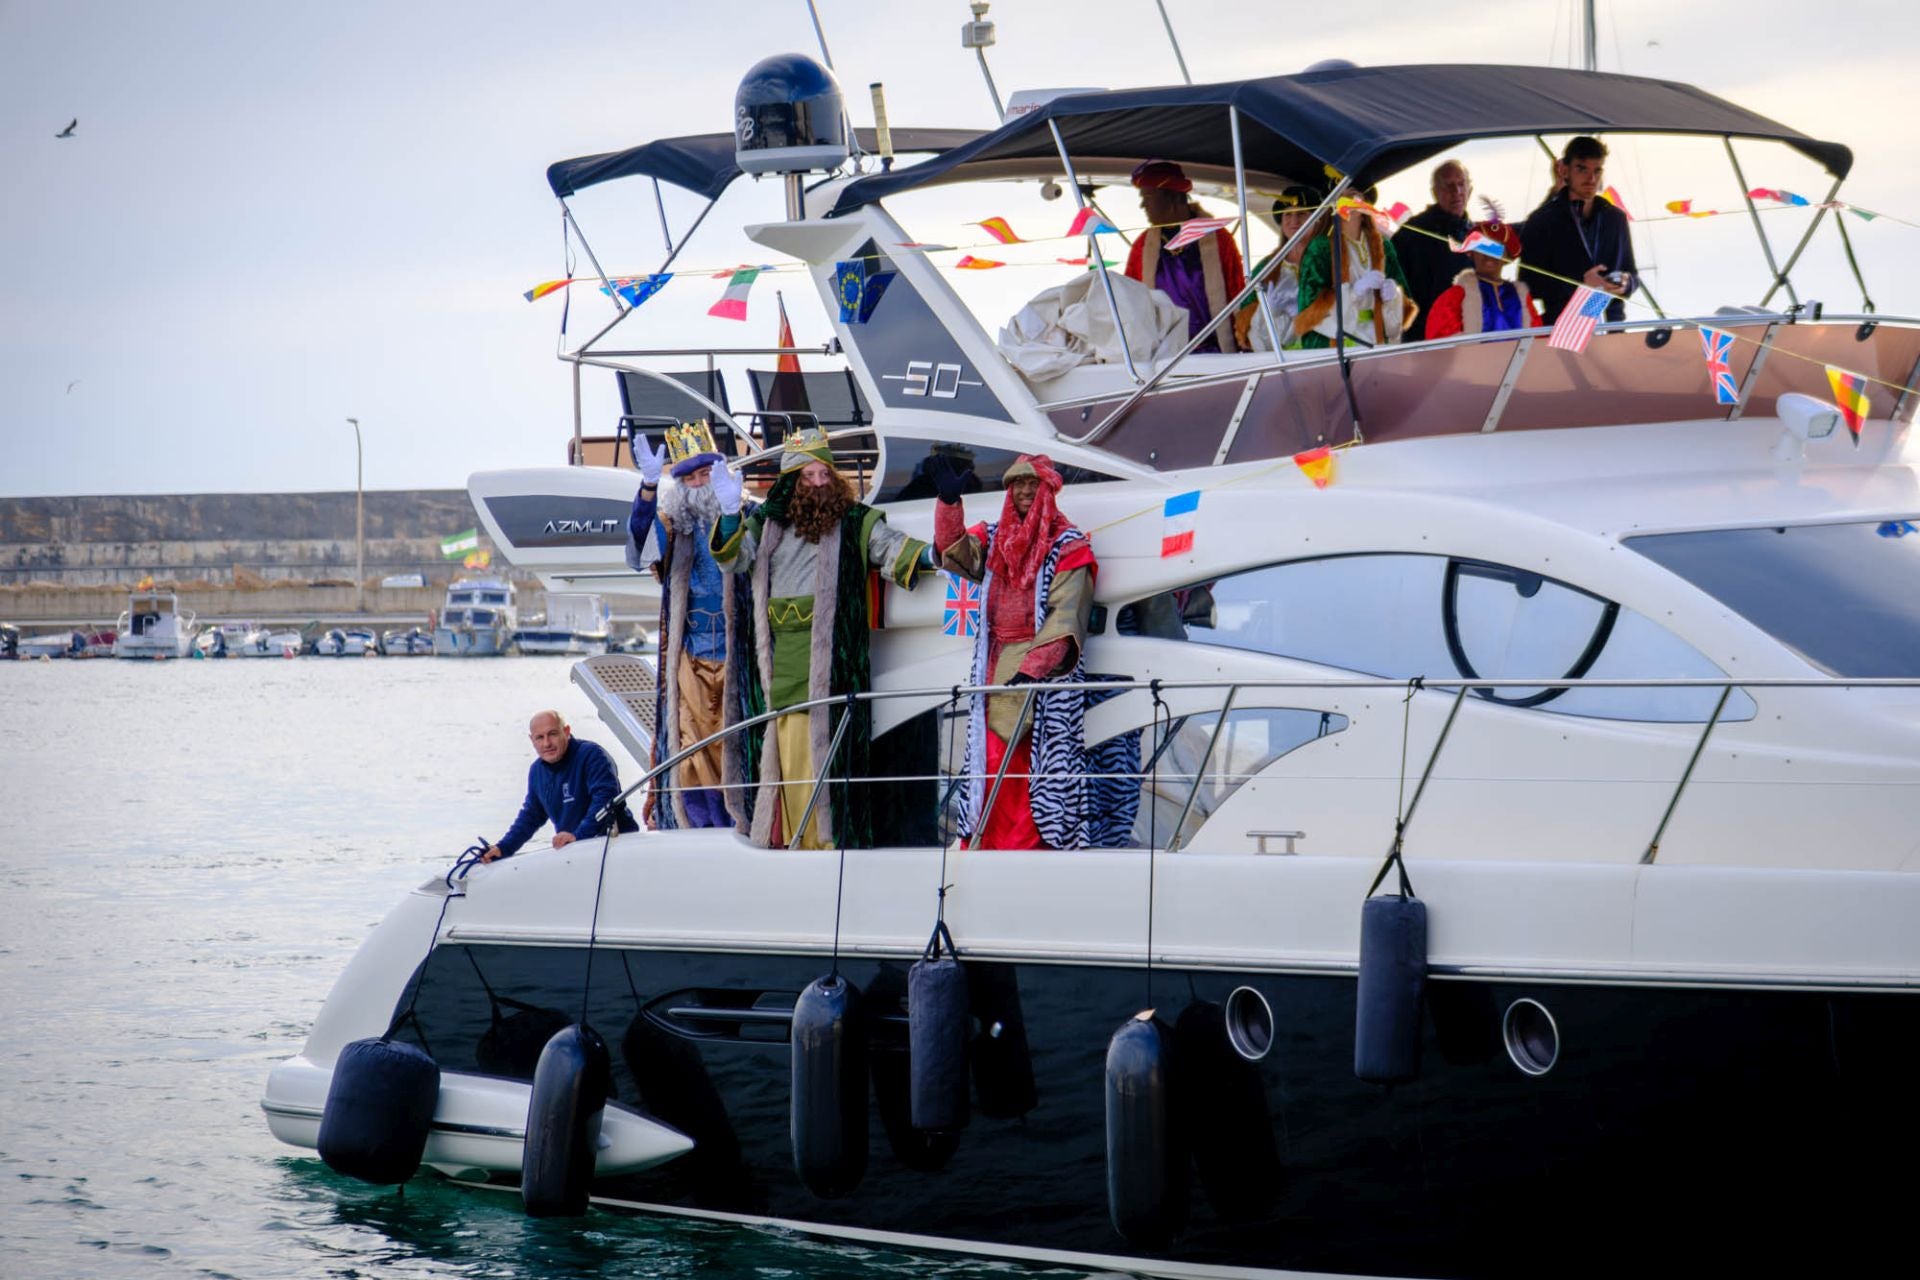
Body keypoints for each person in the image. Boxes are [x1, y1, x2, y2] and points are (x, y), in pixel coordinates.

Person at [709, 427, 934, 849]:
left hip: (835, 661)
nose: (817, 483)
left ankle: (824, 843)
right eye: (807, 475)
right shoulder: (766, 523)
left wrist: (934, 554)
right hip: (780, 659)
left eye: (823, 474)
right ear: (792, 482)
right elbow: (733, 559)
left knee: (825, 754)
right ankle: (791, 838)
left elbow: (891, 549)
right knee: (788, 754)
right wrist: (728, 513)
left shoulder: (854, 521)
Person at [932, 453, 1100, 849]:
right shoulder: (993, 537)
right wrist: (949, 504)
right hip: (993, 664)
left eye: (1033, 484)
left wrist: (1034, 668)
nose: (1025, 491)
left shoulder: (1068, 545)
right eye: (1017, 484)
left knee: (1030, 770)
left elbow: (1067, 616)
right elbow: (953, 552)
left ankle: (1026, 851)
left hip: (1042, 673)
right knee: (989, 764)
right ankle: (988, 844)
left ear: (1049, 491)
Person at [626, 420, 754, 828]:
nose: (700, 484)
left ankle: (742, 820)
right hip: (692, 653)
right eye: (691, 477)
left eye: (706, 474)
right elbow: (639, 544)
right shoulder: (673, 525)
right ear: (679, 485)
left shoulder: (746, 514)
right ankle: (700, 825)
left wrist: (733, 513)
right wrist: (647, 489)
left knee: (735, 737)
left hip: (739, 650)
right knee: (691, 744)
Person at [478, 710, 638, 862]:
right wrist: (503, 847)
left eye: (552, 734)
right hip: (575, 851)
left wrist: (579, 836)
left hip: (616, 848)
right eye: (540, 737)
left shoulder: (591, 755)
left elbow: (604, 799)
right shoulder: (536, 771)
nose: (547, 743)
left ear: (566, 731)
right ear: (532, 740)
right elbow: (530, 816)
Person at [1123, 159, 1247, 353]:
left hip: (1216, 355)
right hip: (1163, 356)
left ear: (1171, 197)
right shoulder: (1142, 246)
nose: (1142, 205)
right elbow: (1129, 302)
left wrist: (1245, 345)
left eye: (1148, 196)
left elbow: (1239, 296)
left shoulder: (1218, 239)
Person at [1519, 136, 1637, 323]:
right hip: (1563, 330)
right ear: (1565, 171)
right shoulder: (1542, 220)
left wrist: (1625, 283)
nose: (1591, 178)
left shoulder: (1616, 218)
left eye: (1596, 171)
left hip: (1612, 330)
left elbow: (1632, 273)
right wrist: (1580, 284)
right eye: (1582, 169)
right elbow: (1529, 285)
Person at [1295, 188, 1417, 348]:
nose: (1348, 200)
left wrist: (1394, 296)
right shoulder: (1321, 247)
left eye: (1353, 195)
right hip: (1341, 344)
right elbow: (1310, 308)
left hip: (1377, 340)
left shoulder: (1383, 245)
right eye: (1342, 196)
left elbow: (1405, 303)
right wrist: (1354, 292)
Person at [1233, 185, 1324, 352]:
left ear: (1315, 219)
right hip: (1278, 355)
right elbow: (1247, 324)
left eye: (1301, 214)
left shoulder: (1328, 260)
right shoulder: (1266, 268)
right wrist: (1269, 312)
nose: (1294, 220)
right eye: (1288, 214)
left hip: (1320, 350)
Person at [1392, 159, 1475, 341]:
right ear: (1435, 192)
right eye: (1449, 186)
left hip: (1468, 335)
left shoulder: (1476, 234)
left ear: (1471, 189)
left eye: (1462, 184)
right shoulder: (1412, 233)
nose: (1457, 192)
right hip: (1424, 338)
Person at [1421, 221, 1544, 340]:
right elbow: (1443, 348)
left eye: (1496, 248)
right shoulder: (1455, 297)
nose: (1488, 255)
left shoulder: (1522, 299)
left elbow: (1536, 343)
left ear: (1506, 256)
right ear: (1472, 253)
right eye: (1482, 247)